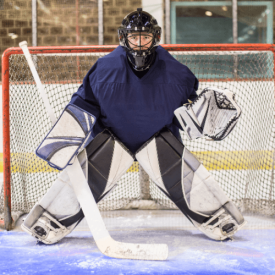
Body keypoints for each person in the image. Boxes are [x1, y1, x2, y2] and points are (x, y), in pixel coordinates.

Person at [22, 8, 246, 244]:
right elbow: (83, 104)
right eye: (134, 37)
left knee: (186, 181)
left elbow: (189, 112)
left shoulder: (178, 74)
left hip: (160, 142)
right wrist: (64, 140)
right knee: (83, 183)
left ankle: (219, 220)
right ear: (124, 38)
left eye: (145, 37)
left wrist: (209, 114)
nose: (140, 43)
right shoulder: (104, 70)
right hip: (112, 142)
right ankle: (48, 222)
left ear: (155, 37)